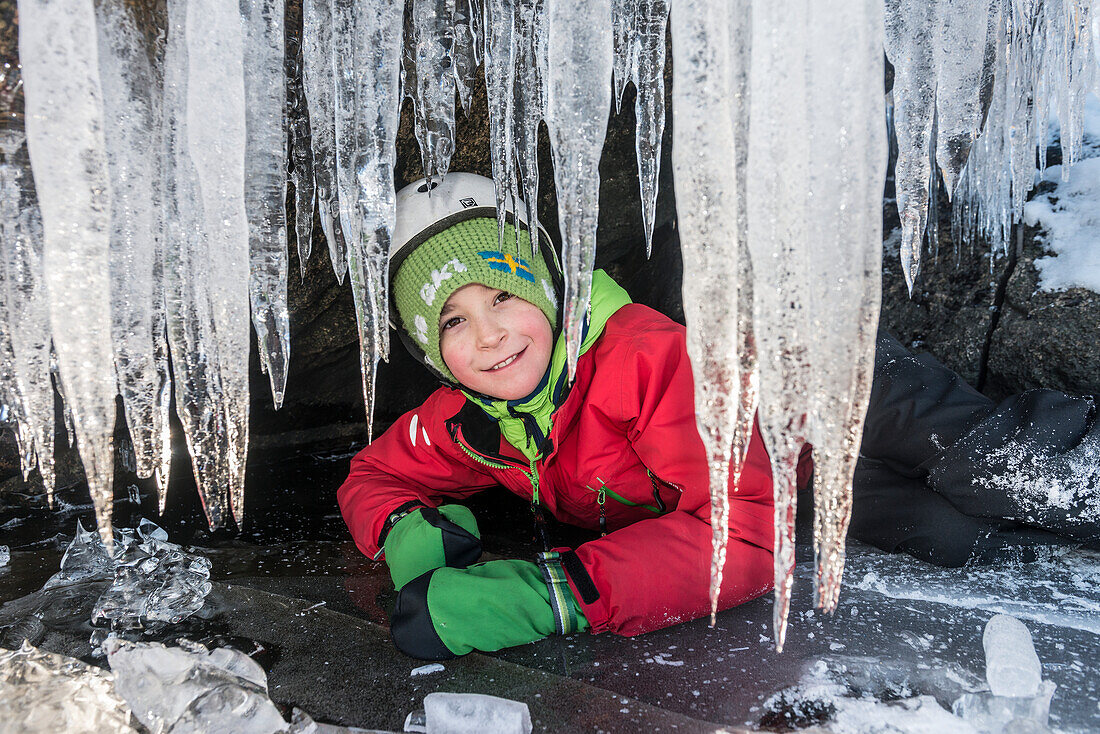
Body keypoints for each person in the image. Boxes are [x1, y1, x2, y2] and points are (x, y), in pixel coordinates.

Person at [338, 173, 1100, 660]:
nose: (491, 334)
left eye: (503, 295)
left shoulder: (638, 360)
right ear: (434, 357)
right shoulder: (468, 423)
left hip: (815, 385)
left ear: (549, 289)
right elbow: (372, 474)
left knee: (1006, 466)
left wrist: (559, 594)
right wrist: (412, 531)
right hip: (788, 486)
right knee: (958, 536)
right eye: (453, 322)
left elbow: (739, 534)